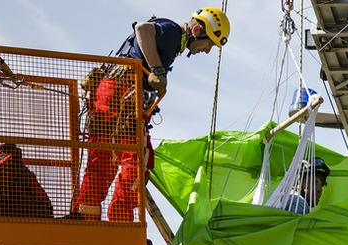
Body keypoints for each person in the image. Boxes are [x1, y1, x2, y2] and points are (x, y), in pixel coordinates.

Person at [70, 8, 230, 222]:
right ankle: (120, 222)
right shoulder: (172, 31)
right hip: (122, 93)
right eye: (209, 43)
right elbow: (142, 29)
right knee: (138, 160)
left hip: (109, 92)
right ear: (197, 29)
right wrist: (157, 69)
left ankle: (87, 217)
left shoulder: (172, 39)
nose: (207, 50)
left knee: (103, 157)